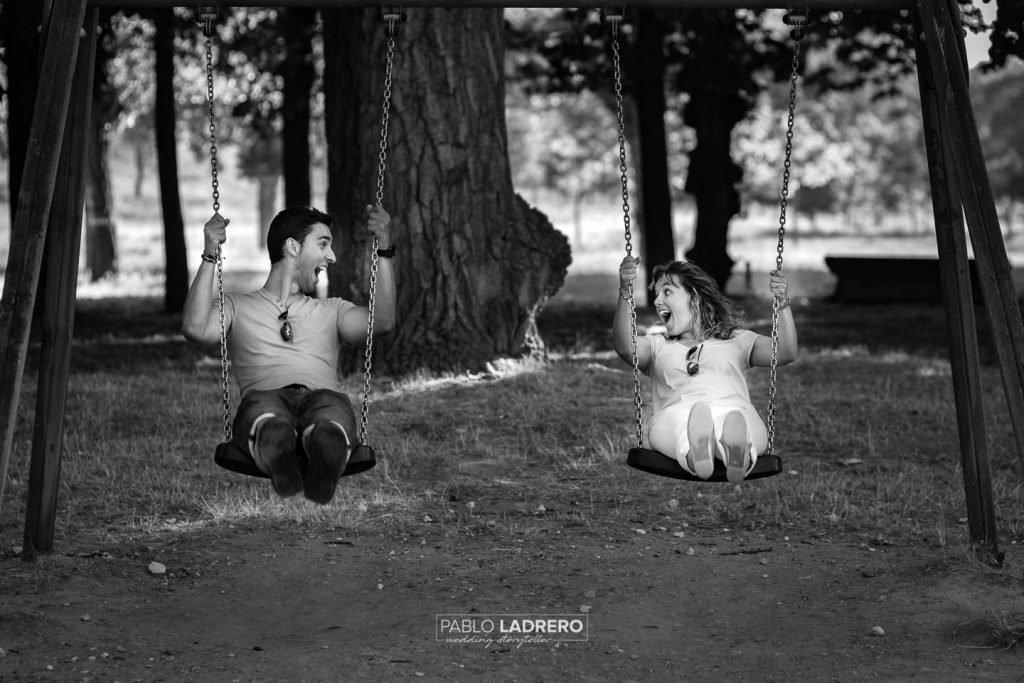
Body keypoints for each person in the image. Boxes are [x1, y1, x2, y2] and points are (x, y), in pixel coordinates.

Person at [182, 204, 397, 504]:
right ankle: (276, 439)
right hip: (266, 397)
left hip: (321, 398)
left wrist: (384, 248)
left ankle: (324, 444)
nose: (331, 256)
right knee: (265, 414)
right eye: (323, 244)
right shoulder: (237, 306)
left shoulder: (333, 310)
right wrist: (210, 255)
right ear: (293, 247)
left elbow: (382, 321)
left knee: (331, 415)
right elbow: (194, 327)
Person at [613, 256, 797, 483]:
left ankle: (733, 451)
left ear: (695, 297)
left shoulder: (736, 339)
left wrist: (783, 303)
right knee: (682, 424)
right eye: (657, 294)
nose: (658, 301)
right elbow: (624, 347)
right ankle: (700, 451)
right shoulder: (656, 345)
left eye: (667, 292)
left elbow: (785, 352)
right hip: (677, 413)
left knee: (739, 422)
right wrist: (625, 293)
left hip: (734, 412)